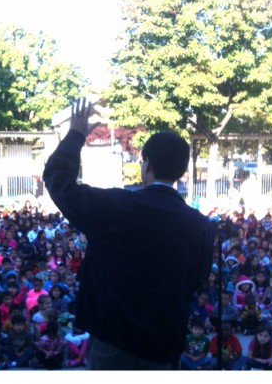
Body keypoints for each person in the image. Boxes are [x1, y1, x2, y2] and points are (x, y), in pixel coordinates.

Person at [42, 97, 214, 369]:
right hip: (163, 346)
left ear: (146, 164)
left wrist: (75, 134)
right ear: (181, 171)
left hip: (114, 342)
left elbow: (59, 182)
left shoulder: (116, 206)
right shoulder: (202, 226)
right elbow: (197, 280)